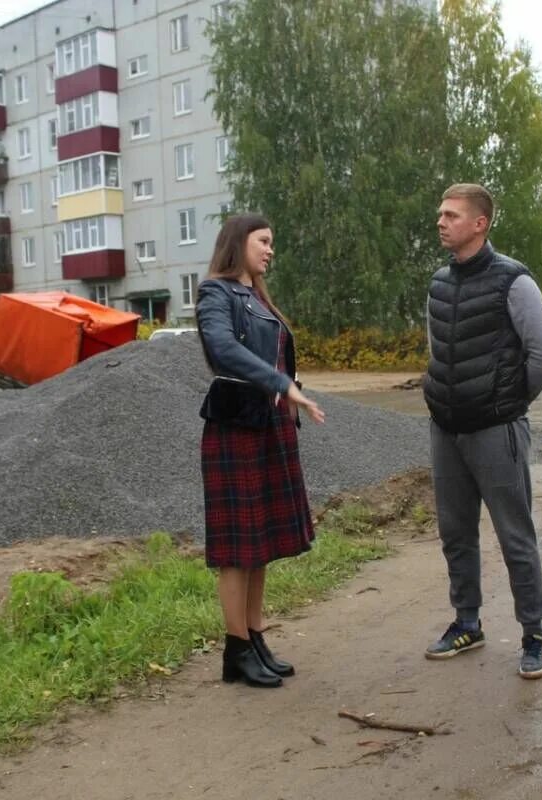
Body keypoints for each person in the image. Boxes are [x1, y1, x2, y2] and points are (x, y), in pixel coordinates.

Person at [422, 183, 542, 679]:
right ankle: (467, 622)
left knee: (514, 536)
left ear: (480, 223)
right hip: (447, 429)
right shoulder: (440, 282)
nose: (441, 221)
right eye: (440, 213)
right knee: (455, 532)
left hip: (495, 430)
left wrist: (508, 402)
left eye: (451, 214)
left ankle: (535, 634)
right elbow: (438, 349)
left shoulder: (513, 281)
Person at [195, 213, 325, 689]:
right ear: (239, 242)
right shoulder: (216, 292)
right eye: (264, 241)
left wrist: (287, 394)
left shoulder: (256, 297)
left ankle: (254, 637)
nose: (271, 250)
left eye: (272, 242)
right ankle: (236, 650)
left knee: (259, 545)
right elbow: (223, 348)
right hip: (236, 426)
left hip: (268, 425)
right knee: (237, 548)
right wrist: (280, 383)